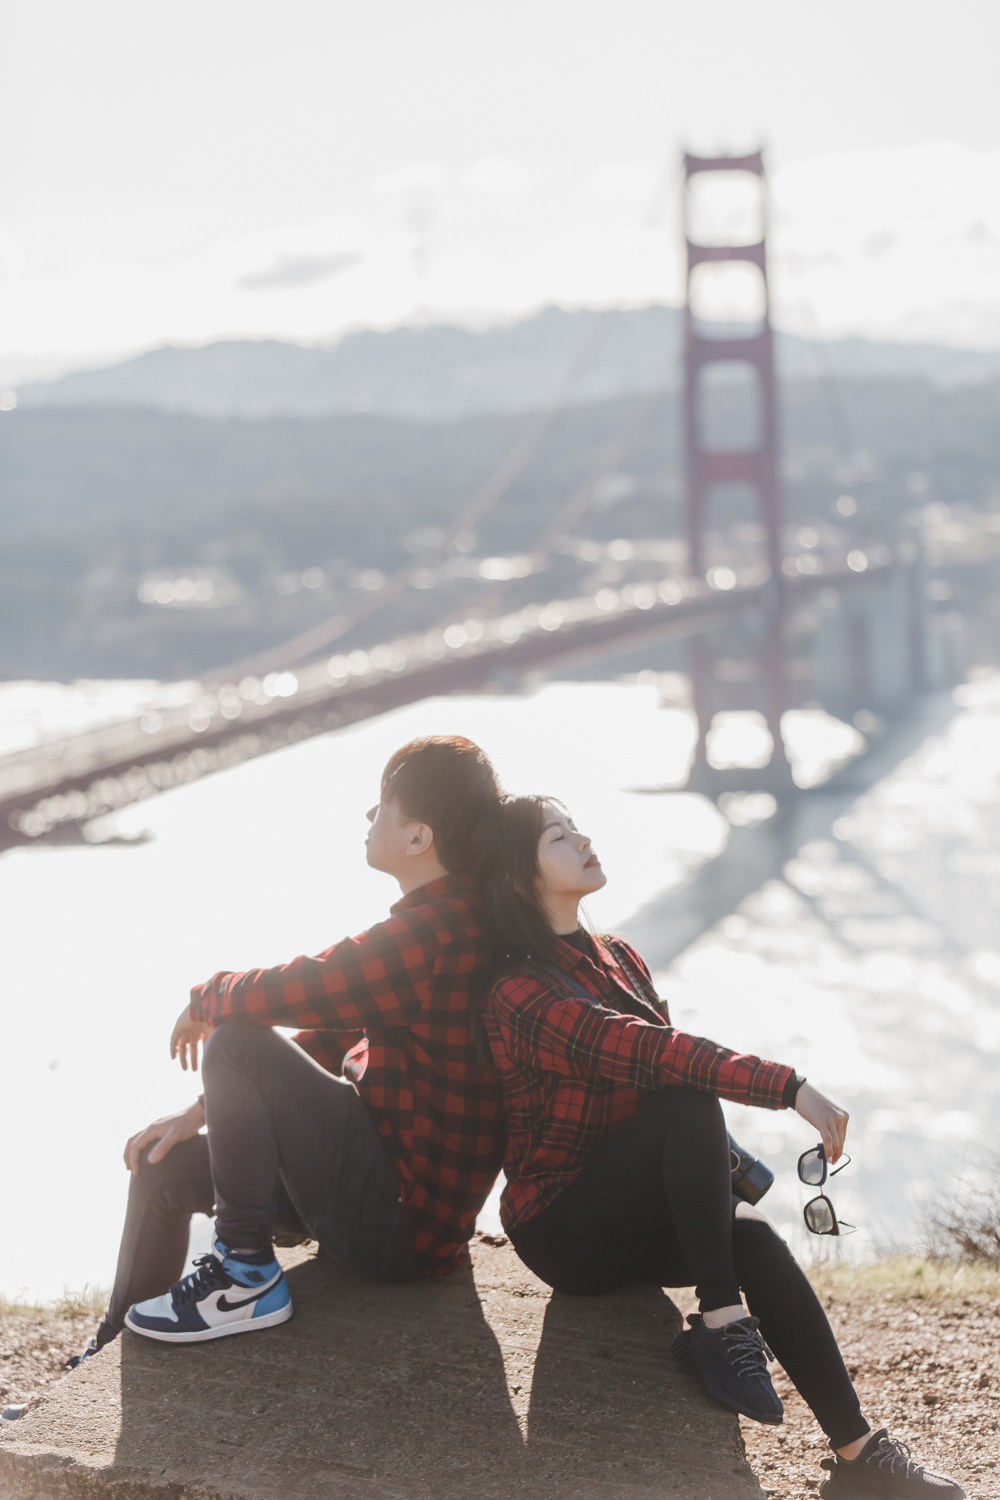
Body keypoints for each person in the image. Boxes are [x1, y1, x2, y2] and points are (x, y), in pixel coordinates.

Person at [479, 795, 965, 1500]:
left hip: (638, 1209)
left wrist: (717, 1168)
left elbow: (654, 1082)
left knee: (753, 1234)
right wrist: (789, 1087)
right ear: (519, 874)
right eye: (558, 836)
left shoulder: (618, 956)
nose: (582, 839)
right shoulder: (519, 991)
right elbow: (650, 1052)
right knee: (686, 1093)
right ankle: (722, 1319)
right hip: (564, 1229)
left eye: (577, 825)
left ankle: (858, 1452)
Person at [72, 735, 507, 1358]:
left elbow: (308, 985)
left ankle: (245, 1271)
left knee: (235, 1040)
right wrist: (203, 1111)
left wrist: (205, 999)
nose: (369, 815)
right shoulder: (449, 924)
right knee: (162, 1165)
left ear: (418, 837)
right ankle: (109, 1347)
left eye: (383, 805)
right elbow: (332, 1035)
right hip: (377, 1201)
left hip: (397, 1226)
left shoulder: (435, 932)